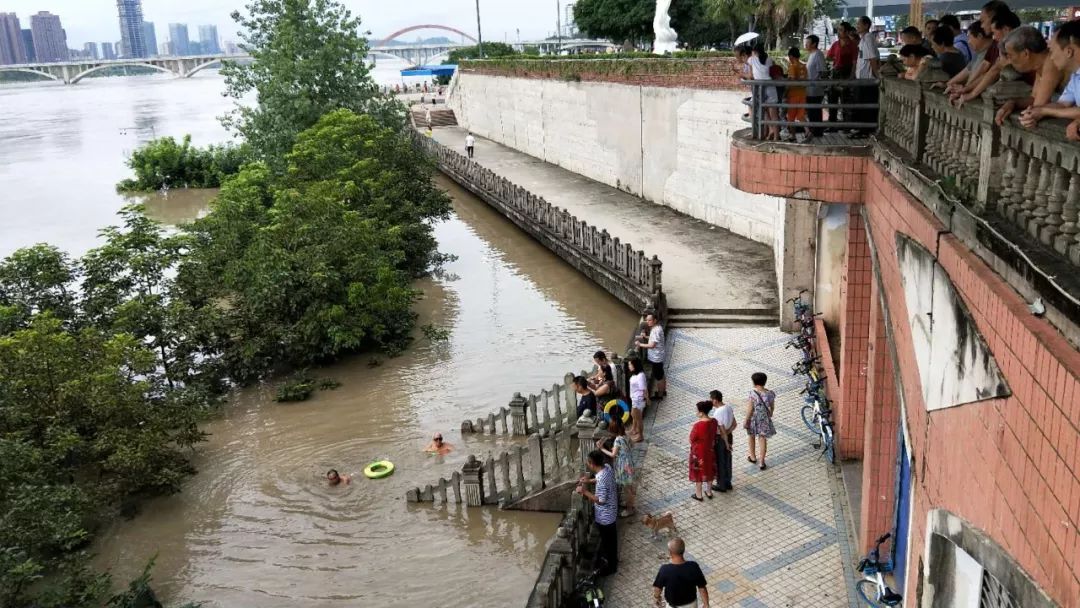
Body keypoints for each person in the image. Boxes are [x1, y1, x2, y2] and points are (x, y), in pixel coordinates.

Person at [1020, 20, 1080, 130]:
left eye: (1052, 51)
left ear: (1068, 52)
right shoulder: (1075, 76)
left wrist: (1045, 110)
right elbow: (1063, 104)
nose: (1051, 57)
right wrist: (1034, 112)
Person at [994, 27, 1056, 126]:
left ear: (1025, 53)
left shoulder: (1051, 62)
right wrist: (1012, 103)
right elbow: (1034, 98)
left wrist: (1029, 116)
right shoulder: (1040, 66)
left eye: (1010, 56)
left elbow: (1037, 107)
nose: (1009, 61)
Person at [576, 450, 618, 576]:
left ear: (592, 464)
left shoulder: (602, 481)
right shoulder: (607, 468)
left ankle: (611, 567)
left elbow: (600, 500)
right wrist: (589, 481)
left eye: (588, 463)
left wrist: (584, 491)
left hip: (605, 517)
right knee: (612, 540)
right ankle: (613, 560)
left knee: (608, 542)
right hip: (612, 512)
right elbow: (599, 478)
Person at [652, 538, 710, 608]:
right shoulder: (693, 566)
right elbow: (702, 588)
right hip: (692, 605)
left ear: (670, 552)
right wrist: (706, 604)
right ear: (683, 551)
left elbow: (658, 589)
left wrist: (656, 597)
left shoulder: (665, 570)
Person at [597, 416, 637, 518]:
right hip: (629, 463)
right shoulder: (626, 435)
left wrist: (601, 448)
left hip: (623, 466)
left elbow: (613, 455)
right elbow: (631, 445)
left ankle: (630, 509)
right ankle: (630, 504)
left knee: (627, 489)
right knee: (630, 487)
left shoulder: (618, 440)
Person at [945, 22, 995, 91]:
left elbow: (984, 76)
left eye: (969, 37)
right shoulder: (979, 53)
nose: (968, 42)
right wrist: (948, 84)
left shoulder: (994, 51)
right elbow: (968, 70)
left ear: (979, 36)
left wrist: (965, 88)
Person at [745, 42, 780, 140]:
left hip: (760, 88)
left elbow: (751, 75)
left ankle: (757, 133)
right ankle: (776, 136)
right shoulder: (769, 59)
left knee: (758, 109)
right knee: (774, 113)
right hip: (771, 87)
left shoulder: (751, 59)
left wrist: (741, 74)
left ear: (754, 51)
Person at [826, 22, 858, 126]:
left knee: (846, 101)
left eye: (841, 30)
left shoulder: (852, 45)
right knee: (832, 100)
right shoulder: (836, 44)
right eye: (838, 30)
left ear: (847, 32)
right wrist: (834, 60)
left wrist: (851, 76)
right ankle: (832, 124)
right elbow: (829, 56)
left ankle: (846, 125)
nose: (839, 32)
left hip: (846, 73)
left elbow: (854, 62)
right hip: (836, 72)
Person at [854, 16, 881, 136]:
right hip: (862, 79)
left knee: (866, 106)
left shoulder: (868, 38)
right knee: (861, 105)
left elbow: (872, 58)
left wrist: (877, 75)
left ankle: (865, 130)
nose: (857, 26)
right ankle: (862, 129)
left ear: (866, 25)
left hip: (868, 80)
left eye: (859, 24)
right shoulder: (863, 39)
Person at [744, 372, 776, 470]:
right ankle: (762, 462)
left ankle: (753, 457)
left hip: (754, 419)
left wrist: (746, 420)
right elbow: (772, 407)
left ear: (754, 383)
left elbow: (750, 409)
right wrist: (770, 414)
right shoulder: (770, 393)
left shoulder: (752, 394)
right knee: (762, 439)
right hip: (764, 419)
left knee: (751, 436)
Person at [688, 401, 717, 501]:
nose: (695, 412)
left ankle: (699, 494)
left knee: (698, 472)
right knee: (710, 469)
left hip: (699, 453)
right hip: (710, 451)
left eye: (697, 410)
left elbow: (691, 439)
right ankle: (709, 491)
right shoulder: (714, 421)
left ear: (701, 413)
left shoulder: (698, 425)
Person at [709, 390, 736, 493]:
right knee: (728, 459)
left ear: (715, 400)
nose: (710, 401)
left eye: (711, 399)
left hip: (721, 439)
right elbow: (734, 424)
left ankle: (721, 485)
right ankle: (728, 482)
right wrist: (728, 434)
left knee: (720, 461)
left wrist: (725, 441)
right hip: (729, 436)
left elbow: (721, 430)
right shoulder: (728, 407)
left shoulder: (718, 412)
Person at [636, 313, 667, 400]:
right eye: (647, 320)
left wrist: (640, 344)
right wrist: (646, 337)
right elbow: (654, 339)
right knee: (661, 374)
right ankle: (663, 390)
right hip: (659, 356)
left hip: (657, 357)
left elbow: (652, 345)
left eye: (649, 320)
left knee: (659, 376)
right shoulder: (657, 328)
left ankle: (660, 395)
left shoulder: (656, 330)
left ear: (655, 320)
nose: (647, 322)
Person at [785, 47, 811, 142]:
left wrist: (785, 93)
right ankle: (807, 131)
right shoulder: (803, 66)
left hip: (793, 94)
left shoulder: (792, 66)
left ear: (791, 56)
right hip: (803, 93)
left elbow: (791, 81)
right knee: (800, 115)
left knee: (790, 117)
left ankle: (793, 136)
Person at [805, 35, 826, 136]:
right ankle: (814, 131)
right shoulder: (811, 54)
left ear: (814, 44)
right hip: (810, 89)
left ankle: (817, 132)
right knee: (811, 112)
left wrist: (817, 82)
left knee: (815, 111)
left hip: (815, 89)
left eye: (808, 43)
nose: (806, 45)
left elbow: (822, 71)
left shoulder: (818, 54)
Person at [627, 356, 649, 443]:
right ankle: (634, 429)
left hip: (638, 399)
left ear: (634, 365)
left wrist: (647, 399)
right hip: (635, 398)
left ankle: (640, 435)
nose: (629, 366)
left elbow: (644, 389)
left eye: (630, 365)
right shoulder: (635, 374)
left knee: (638, 418)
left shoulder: (640, 376)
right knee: (633, 414)